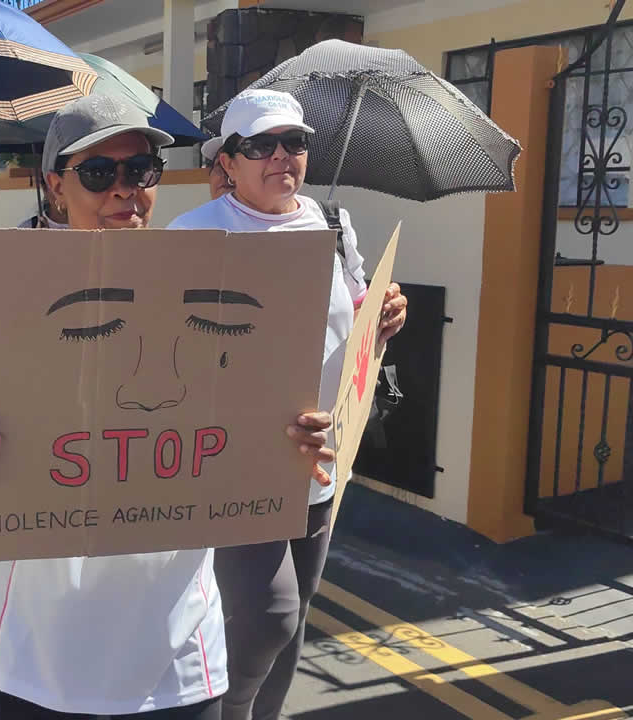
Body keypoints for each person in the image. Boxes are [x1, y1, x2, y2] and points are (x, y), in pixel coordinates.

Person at [0, 95, 295, 719]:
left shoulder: (212, 290)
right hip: (39, 647)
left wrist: (297, 444)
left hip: (176, 648)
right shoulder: (11, 293)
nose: (124, 190)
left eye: (141, 172)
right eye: (98, 173)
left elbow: (260, 423)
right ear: (56, 185)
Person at [168, 89, 409, 720]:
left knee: (296, 612)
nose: (282, 156)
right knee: (266, 617)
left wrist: (381, 315)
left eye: (295, 142)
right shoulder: (193, 234)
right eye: (262, 145)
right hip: (236, 461)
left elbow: (353, 316)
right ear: (229, 162)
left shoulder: (333, 225)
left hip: (322, 461)